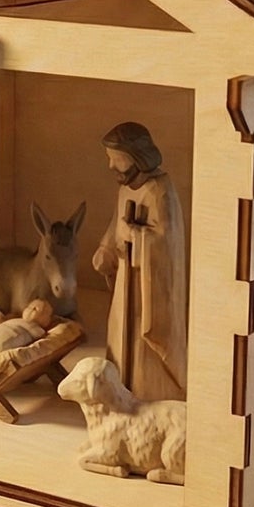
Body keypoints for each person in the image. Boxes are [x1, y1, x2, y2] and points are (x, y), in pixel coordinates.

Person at [92, 122, 187, 401]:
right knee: (121, 333)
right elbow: (116, 226)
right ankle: (119, 389)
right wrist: (106, 250)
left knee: (143, 342)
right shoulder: (125, 190)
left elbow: (167, 242)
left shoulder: (160, 190)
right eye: (109, 158)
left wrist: (140, 238)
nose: (111, 166)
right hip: (125, 279)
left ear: (136, 156)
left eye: (116, 158)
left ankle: (151, 394)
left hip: (150, 288)